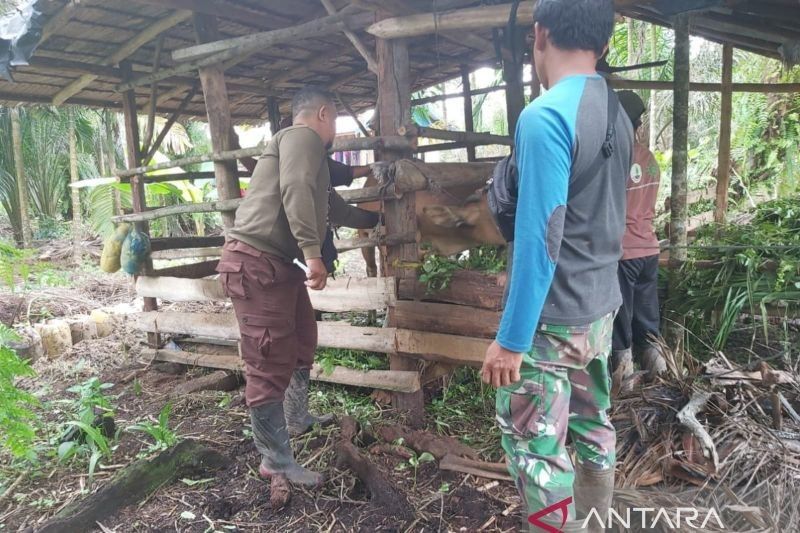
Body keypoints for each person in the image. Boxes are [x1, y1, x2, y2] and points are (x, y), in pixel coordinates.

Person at [479, 1, 632, 531]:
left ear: (539, 34)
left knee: (537, 451)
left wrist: (512, 339)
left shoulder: (544, 116)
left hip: (551, 323)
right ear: (605, 43)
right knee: (593, 428)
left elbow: (540, 239)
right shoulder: (616, 110)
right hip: (600, 312)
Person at [216, 86, 379, 488]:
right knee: (267, 360)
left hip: (275, 266)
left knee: (303, 338)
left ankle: (297, 417)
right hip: (255, 263)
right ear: (324, 113)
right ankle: (275, 460)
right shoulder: (301, 138)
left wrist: (376, 220)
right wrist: (313, 254)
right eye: (337, 122)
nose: (335, 132)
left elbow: (332, 207)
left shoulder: (311, 158)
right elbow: (295, 190)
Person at [611, 91, 667, 382]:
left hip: (623, 252)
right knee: (647, 313)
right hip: (649, 248)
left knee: (621, 314)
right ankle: (659, 370)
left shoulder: (615, 159)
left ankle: (623, 374)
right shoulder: (649, 160)